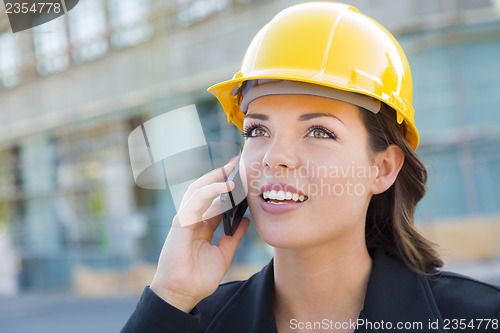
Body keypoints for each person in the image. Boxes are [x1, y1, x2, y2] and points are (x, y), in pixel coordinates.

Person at [122, 2, 500, 332]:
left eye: (318, 131)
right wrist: (170, 295)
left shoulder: (478, 318)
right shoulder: (188, 321)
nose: (274, 156)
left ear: (383, 168)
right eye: (257, 129)